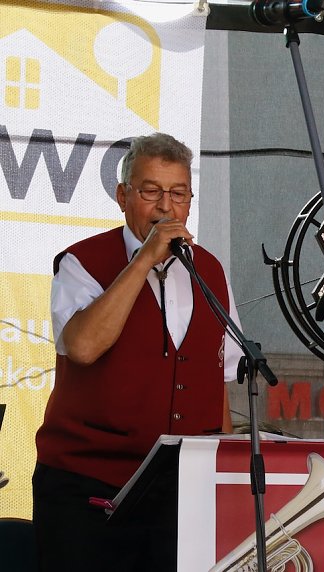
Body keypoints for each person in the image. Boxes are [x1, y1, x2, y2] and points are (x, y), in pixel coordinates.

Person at [32, 133, 241, 571]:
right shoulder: (82, 262)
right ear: (123, 196)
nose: (166, 207)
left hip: (180, 492)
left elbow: (219, 383)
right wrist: (143, 260)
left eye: (179, 194)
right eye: (151, 192)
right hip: (87, 490)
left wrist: (220, 477)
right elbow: (84, 347)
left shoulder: (210, 271)